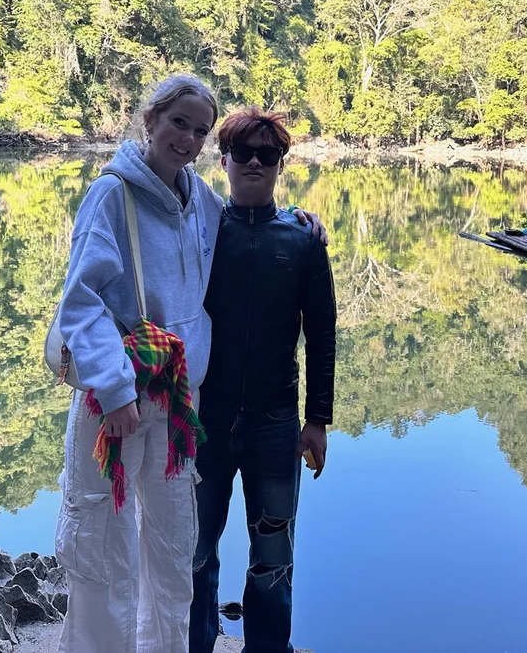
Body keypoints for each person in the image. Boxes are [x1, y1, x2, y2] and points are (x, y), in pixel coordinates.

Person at [54, 78, 325, 653]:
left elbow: (249, 216)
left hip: (181, 409)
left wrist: (301, 219)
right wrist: (115, 387)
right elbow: (80, 301)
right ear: (150, 119)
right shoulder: (111, 195)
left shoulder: (197, 200)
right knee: (105, 543)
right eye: (180, 122)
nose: (188, 138)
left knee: (174, 548)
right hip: (118, 405)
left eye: (200, 130)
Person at [190, 108, 337, 653]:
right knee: (196, 550)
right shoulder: (201, 233)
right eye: (243, 153)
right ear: (222, 159)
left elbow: (322, 334)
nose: (255, 162)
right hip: (205, 418)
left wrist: (317, 420)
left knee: (273, 554)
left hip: (276, 423)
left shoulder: (302, 241)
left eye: (267, 154)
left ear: (280, 164)